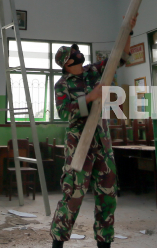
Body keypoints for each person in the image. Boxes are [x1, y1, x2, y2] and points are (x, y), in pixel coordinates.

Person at [50, 14, 138, 248]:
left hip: (102, 142)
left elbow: (119, 57)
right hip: (79, 144)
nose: (79, 54)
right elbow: (65, 112)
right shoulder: (62, 85)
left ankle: (104, 242)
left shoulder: (93, 71)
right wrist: (90, 96)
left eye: (77, 52)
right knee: (74, 195)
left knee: (107, 194)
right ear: (67, 63)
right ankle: (57, 242)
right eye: (73, 54)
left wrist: (128, 31)